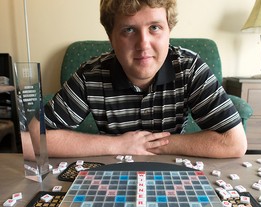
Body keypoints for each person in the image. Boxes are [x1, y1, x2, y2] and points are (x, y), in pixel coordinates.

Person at [24, 0, 247, 159]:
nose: (143, 44)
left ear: (169, 30)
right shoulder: (90, 74)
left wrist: (151, 145)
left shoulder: (190, 68)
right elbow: (37, 135)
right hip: (113, 175)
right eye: (129, 30)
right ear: (111, 37)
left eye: (155, 28)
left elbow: (235, 143)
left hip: (172, 171)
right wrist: (119, 145)